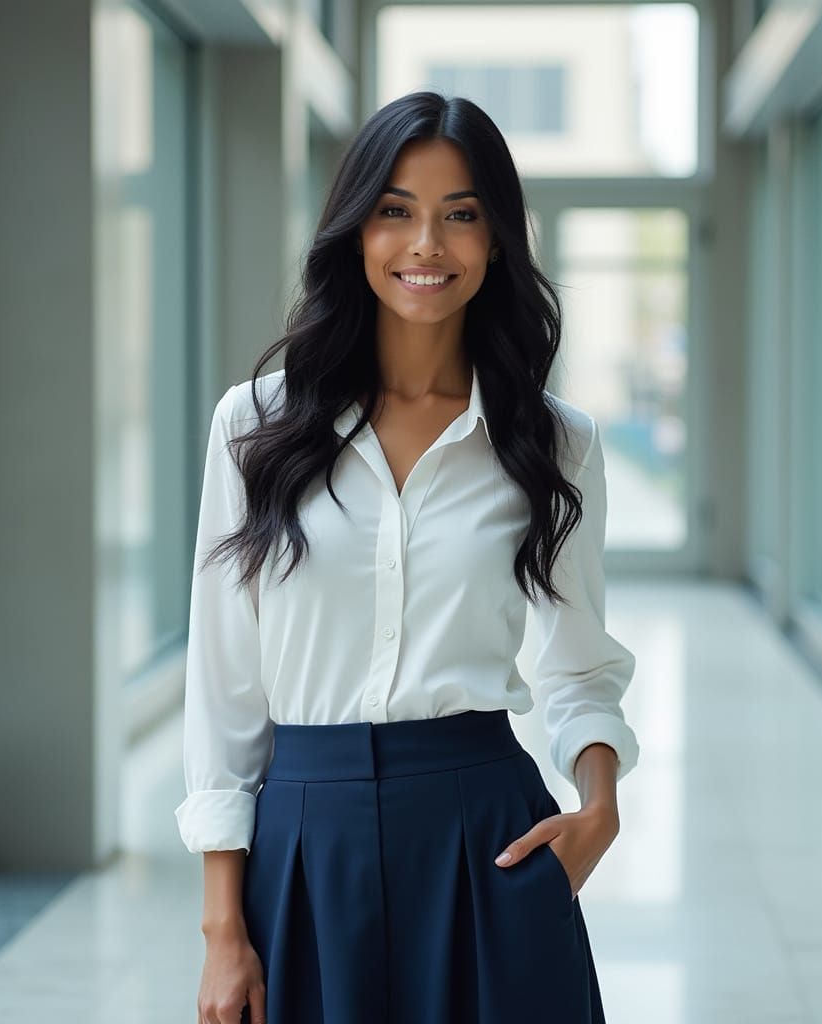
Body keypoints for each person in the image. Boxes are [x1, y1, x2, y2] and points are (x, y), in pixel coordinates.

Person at [174, 91, 639, 1024]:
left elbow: (581, 666)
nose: (427, 243)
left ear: (497, 240)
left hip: (485, 835)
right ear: (355, 232)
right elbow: (224, 691)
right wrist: (224, 930)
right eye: (396, 211)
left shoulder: (553, 444)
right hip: (306, 841)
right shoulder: (255, 428)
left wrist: (598, 808)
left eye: (460, 215)